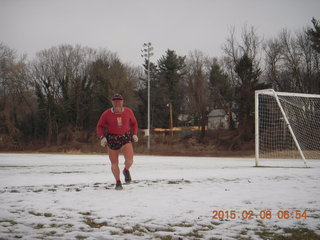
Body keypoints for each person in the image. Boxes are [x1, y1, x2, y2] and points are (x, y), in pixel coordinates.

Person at [96, 94, 138, 190]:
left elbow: (134, 123)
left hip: (125, 137)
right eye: (115, 102)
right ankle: (118, 182)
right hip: (112, 139)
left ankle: (126, 170)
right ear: (112, 103)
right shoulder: (106, 114)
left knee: (130, 160)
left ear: (123, 102)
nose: (117, 104)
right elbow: (99, 126)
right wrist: (102, 137)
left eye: (119, 101)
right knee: (114, 163)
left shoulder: (128, 111)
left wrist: (134, 134)